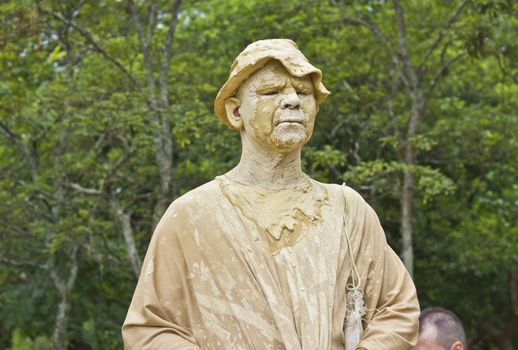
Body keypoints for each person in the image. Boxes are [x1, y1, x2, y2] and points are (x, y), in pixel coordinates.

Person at [122, 39, 419, 350]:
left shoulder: (347, 211)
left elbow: (398, 310)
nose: (292, 101)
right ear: (236, 111)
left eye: (304, 93)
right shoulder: (191, 216)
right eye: (272, 92)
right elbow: (150, 330)